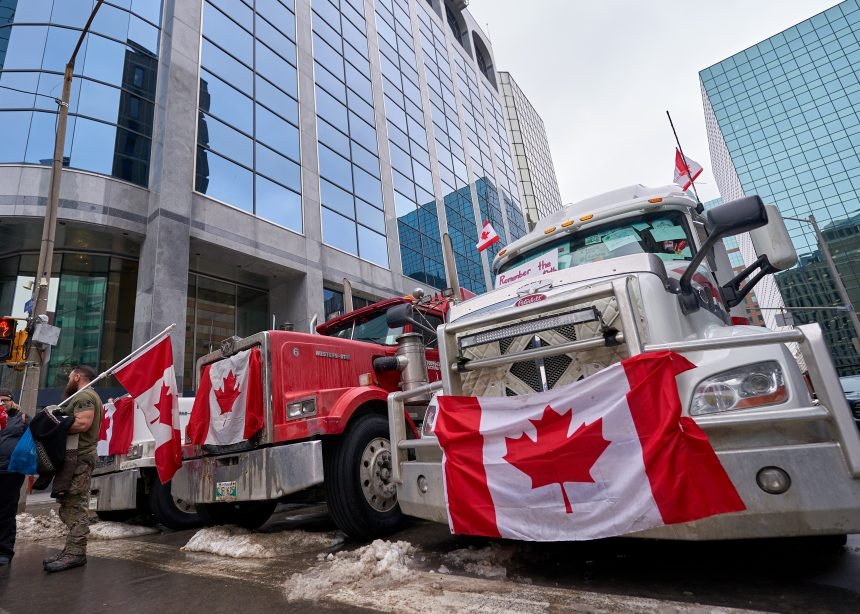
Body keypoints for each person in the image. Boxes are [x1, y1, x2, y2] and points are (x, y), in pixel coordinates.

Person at [43, 366, 103, 573]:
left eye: (70, 377)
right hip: (74, 458)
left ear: (77, 377)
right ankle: (71, 549)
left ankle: (76, 553)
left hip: (79, 458)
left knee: (74, 505)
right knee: (68, 502)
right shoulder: (84, 395)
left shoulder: (85, 396)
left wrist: (52, 422)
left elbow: (82, 423)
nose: (68, 380)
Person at [0, 387, 27, 567]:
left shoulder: (21, 418)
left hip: (10, 472)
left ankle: (4, 551)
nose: (2, 403)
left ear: (12, 401)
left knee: (6, 513)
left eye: (5, 400)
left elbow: (39, 433)